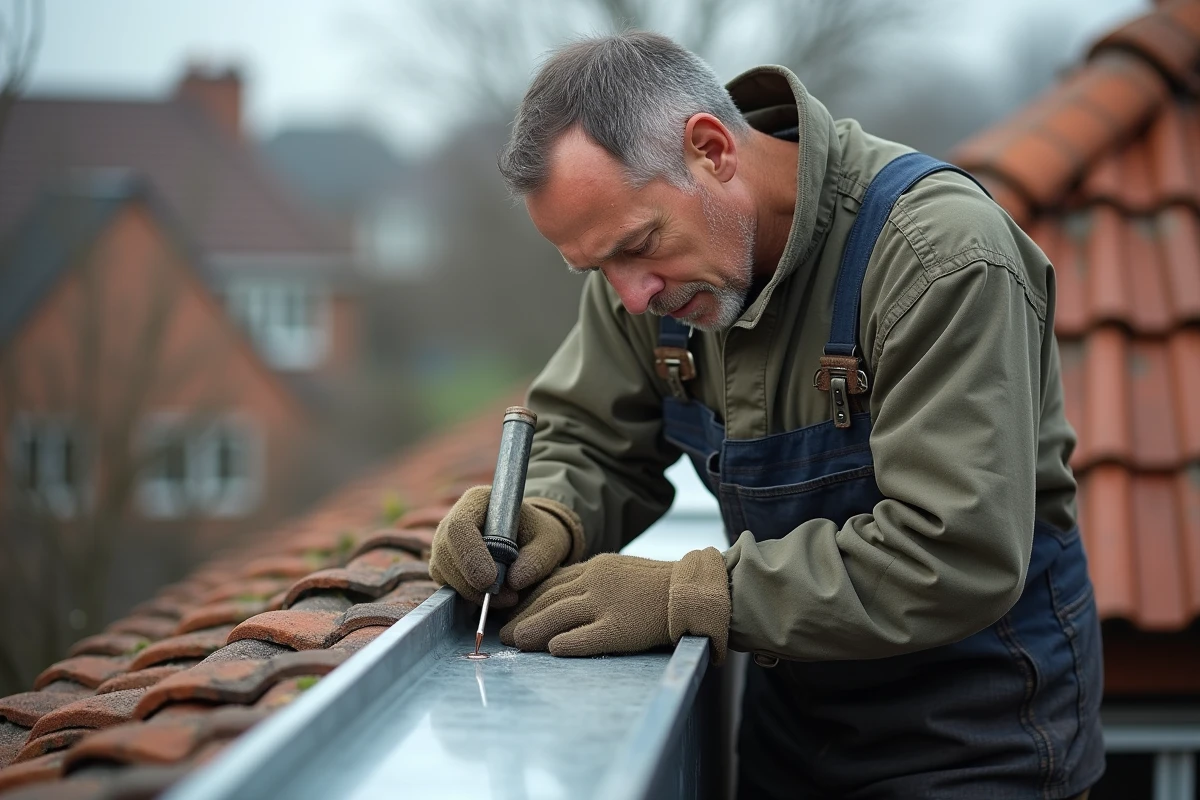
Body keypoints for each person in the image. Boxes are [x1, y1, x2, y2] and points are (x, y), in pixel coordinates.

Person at [430, 30, 1103, 799]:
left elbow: (953, 550)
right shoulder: (661, 275)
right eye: (597, 269)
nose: (630, 297)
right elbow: (590, 440)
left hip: (979, 745)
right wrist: (543, 514)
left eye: (639, 245)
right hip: (793, 738)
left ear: (712, 149)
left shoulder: (940, 259)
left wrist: (684, 594)